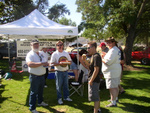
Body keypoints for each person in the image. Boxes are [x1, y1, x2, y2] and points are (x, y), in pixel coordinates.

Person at [26, 40, 49, 113]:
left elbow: (44, 61)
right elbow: (30, 64)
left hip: (42, 75)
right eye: (34, 45)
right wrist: (42, 63)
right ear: (31, 46)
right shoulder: (30, 54)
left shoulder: (41, 53)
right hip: (35, 76)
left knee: (41, 91)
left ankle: (40, 102)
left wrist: (46, 64)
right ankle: (32, 108)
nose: (36, 46)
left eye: (37, 45)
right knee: (33, 92)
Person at [50, 40, 72, 105]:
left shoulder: (66, 53)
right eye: (58, 45)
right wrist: (59, 63)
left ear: (63, 46)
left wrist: (66, 62)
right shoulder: (54, 54)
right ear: (56, 46)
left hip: (65, 71)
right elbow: (52, 63)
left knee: (66, 85)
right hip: (58, 71)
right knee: (58, 86)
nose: (59, 46)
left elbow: (70, 62)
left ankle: (66, 97)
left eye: (61, 45)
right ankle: (59, 98)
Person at [102, 37, 121, 107]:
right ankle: (115, 99)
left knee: (112, 87)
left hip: (112, 71)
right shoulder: (115, 49)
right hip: (114, 70)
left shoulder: (113, 50)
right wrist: (105, 55)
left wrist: (102, 58)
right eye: (107, 42)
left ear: (114, 43)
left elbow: (108, 62)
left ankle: (113, 102)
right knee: (115, 86)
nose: (108, 44)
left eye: (109, 42)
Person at [83, 41, 102, 113]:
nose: (87, 50)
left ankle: (95, 111)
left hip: (94, 80)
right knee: (96, 95)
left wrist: (91, 80)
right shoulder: (93, 56)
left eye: (89, 48)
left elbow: (96, 70)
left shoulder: (96, 56)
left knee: (95, 98)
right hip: (94, 79)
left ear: (94, 48)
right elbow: (90, 67)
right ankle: (98, 109)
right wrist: (84, 60)